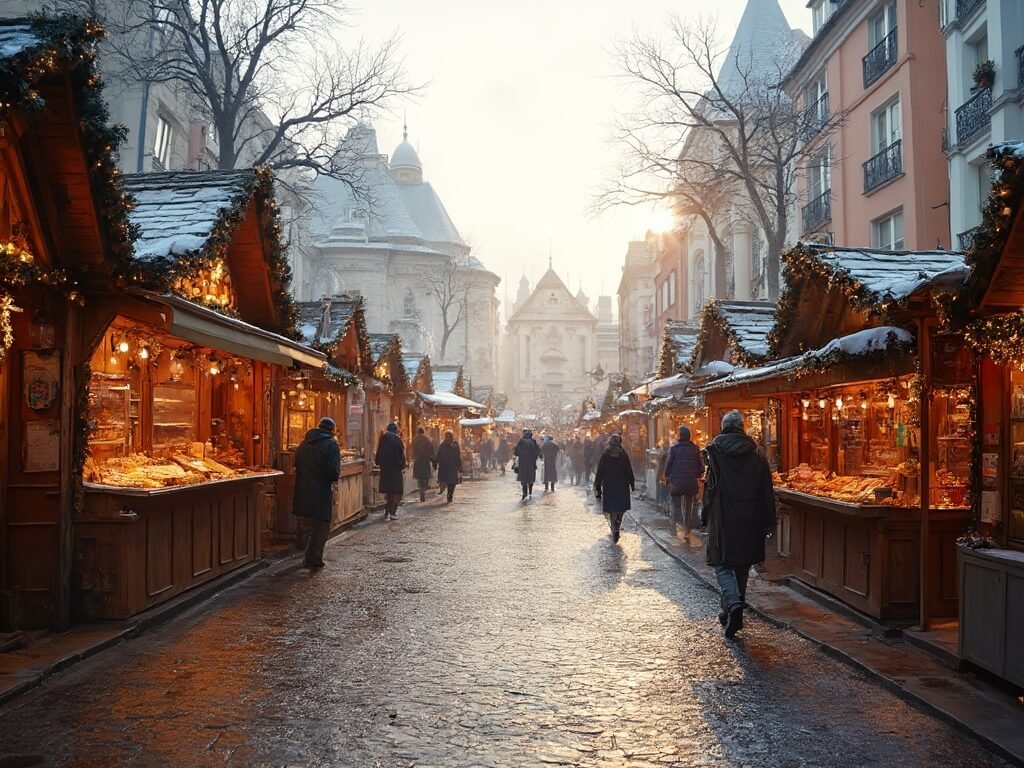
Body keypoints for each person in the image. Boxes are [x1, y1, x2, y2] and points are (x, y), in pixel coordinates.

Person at [702, 410, 776, 639]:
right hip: (750, 516)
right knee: (742, 565)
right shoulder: (757, 455)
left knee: (722, 563)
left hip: (723, 517)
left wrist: (704, 514)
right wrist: (769, 521)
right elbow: (766, 491)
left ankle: (733, 604)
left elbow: (709, 489)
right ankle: (733, 607)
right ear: (742, 428)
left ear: (724, 427)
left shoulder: (713, 453)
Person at [292, 417, 341, 569]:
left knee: (307, 523)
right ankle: (313, 559)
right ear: (332, 430)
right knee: (321, 526)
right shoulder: (331, 444)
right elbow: (333, 472)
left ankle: (306, 554)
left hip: (302, 489)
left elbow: (296, 464)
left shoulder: (304, 443)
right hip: (320, 490)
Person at [594, 434, 635, 543]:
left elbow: (600, 470)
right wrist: (632, 483)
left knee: (612, 508)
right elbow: (628, 469)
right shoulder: (623, 454)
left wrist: (598, 485)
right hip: (622, 484)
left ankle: (614, 529)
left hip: (609, 484)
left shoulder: (606, 454)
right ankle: (618, 523)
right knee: (621, 507)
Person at [664, 426, 704, 535]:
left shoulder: (674, 449)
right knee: (688, 504)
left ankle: (674, 526)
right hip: (691, 483)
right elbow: (702, 467)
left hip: (676, 482)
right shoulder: (695, 449)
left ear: (680, 436)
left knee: (674, 503)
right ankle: (687, 527)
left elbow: (668, 465)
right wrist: (696, 474)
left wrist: (667, 476)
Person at [375, 422, 407, 520]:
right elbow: (402, 455)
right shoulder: (397, 440)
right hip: (395, 469)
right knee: (396, 492)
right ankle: (392, 512)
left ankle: (387, 512)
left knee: (389, 492)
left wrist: (380, 463)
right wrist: (402, 465)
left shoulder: (383, 439)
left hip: (385, 470)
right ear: (395, 430)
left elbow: (378, 453)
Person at [434, 429, 463, 503]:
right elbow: (438, 456)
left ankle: (450, 494)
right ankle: (449, 494)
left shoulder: (455, 445)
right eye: (447, 437)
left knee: (452, 483)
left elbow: (458, 456)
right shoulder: (442, 445)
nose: (448, 438)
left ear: (452, 437)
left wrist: (459, 466)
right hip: (445, 467)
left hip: (451, 467)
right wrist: (435, 462)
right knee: (449, 482)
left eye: (450, 437)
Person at [514, 428, 541, 500]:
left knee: (524, 479)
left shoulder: (521, 442)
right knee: (531, 478)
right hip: (531, 463)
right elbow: (538, 452)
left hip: (523, 464)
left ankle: (524, 493)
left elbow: (516, 452)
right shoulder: (533, 442)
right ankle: (530, 492)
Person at [411, 426, 435, 502]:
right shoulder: (427, 440)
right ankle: (423, 491)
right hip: (425, 461)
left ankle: (421, 491)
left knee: (419, 478)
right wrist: (432, 458)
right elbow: (431, 450)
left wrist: (413, 457)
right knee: (425, 477)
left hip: (418, 461)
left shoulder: (415, 440)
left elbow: (412, 450)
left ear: (418, 432)